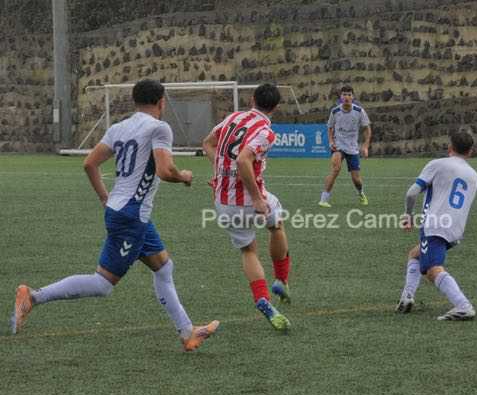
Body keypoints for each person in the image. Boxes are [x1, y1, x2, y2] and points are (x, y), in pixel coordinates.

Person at [10, 79, 219, 352]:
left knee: (164, 267)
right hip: (132, 216)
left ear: (135, 101)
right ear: (161, 102)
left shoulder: (119, 128)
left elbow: (90, 163)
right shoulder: (159, 127)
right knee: (103, 284)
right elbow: (165, 170)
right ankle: (33, 297)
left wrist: (104, 197)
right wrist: (184, 176)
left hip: (127, 213)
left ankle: (187, 332)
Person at [202, 83, 291, 332]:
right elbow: (243, 160)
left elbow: (207, 143)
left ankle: (262, 298)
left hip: (223, 203)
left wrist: (220, 172)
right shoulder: (266, 132)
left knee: (249, 250)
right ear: (275, 107)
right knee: (276, 225)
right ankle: (281, 279)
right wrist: (257, 199)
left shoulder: (233, 117)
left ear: (252, 99)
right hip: (250, 200)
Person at [396, 131, 477, 320]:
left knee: (432, 269)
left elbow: (412, 193)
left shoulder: (438, 164)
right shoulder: (474, 176)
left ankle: (463, 305)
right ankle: (407, 297)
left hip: (435, 225)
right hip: (456, 229)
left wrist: (408, 215)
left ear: (450, 148)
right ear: (470, 151)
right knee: (415, 254)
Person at [318, 85, 371, 207]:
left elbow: (367, 129)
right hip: (338, 146)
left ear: (353, 97)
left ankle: (361, 193)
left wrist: (365, 146)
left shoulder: (359, 111)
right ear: (341, 97)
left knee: (356, 179)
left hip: (352, 148)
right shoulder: (335, 111)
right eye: (344, 94)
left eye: (349, 95)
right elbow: (330, 127)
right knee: (335, 169)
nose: (346, 97)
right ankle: (323, 199)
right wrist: (331, 142)